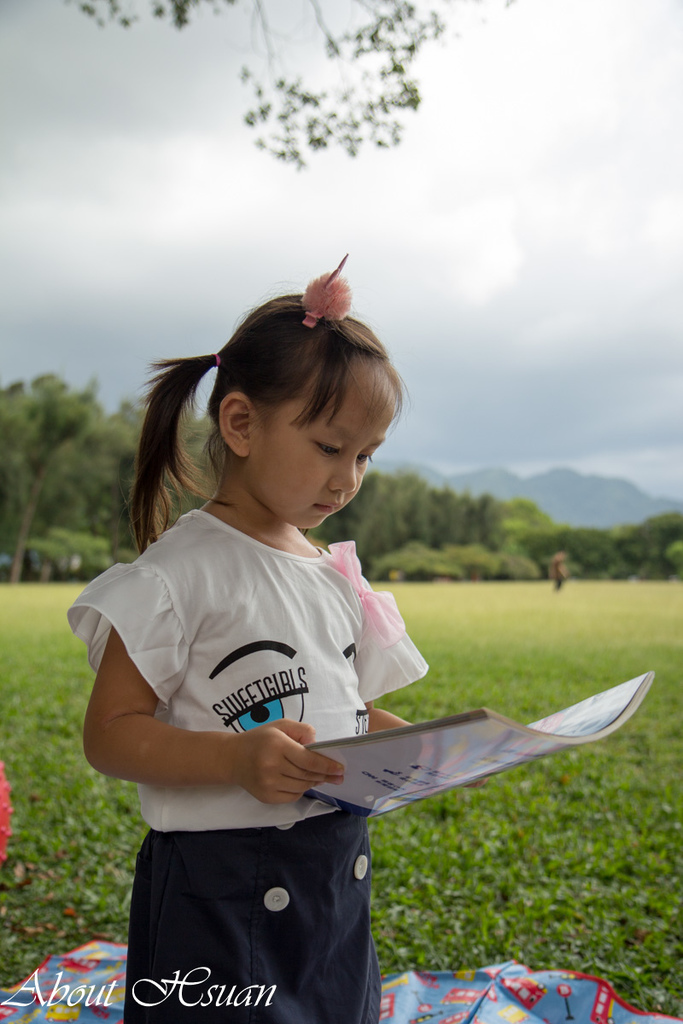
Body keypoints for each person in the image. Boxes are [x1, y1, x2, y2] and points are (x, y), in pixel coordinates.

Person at [67, 256, 428, 1024]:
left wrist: (420, 748)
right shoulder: (179, 575)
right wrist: (236, 758)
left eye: (366, 456)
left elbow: (346, 713)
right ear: (239, 423)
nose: (349, 479)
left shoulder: (332, 575)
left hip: (333, 876)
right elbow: (110, 734)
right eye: (330, 448)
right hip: (219, 894)